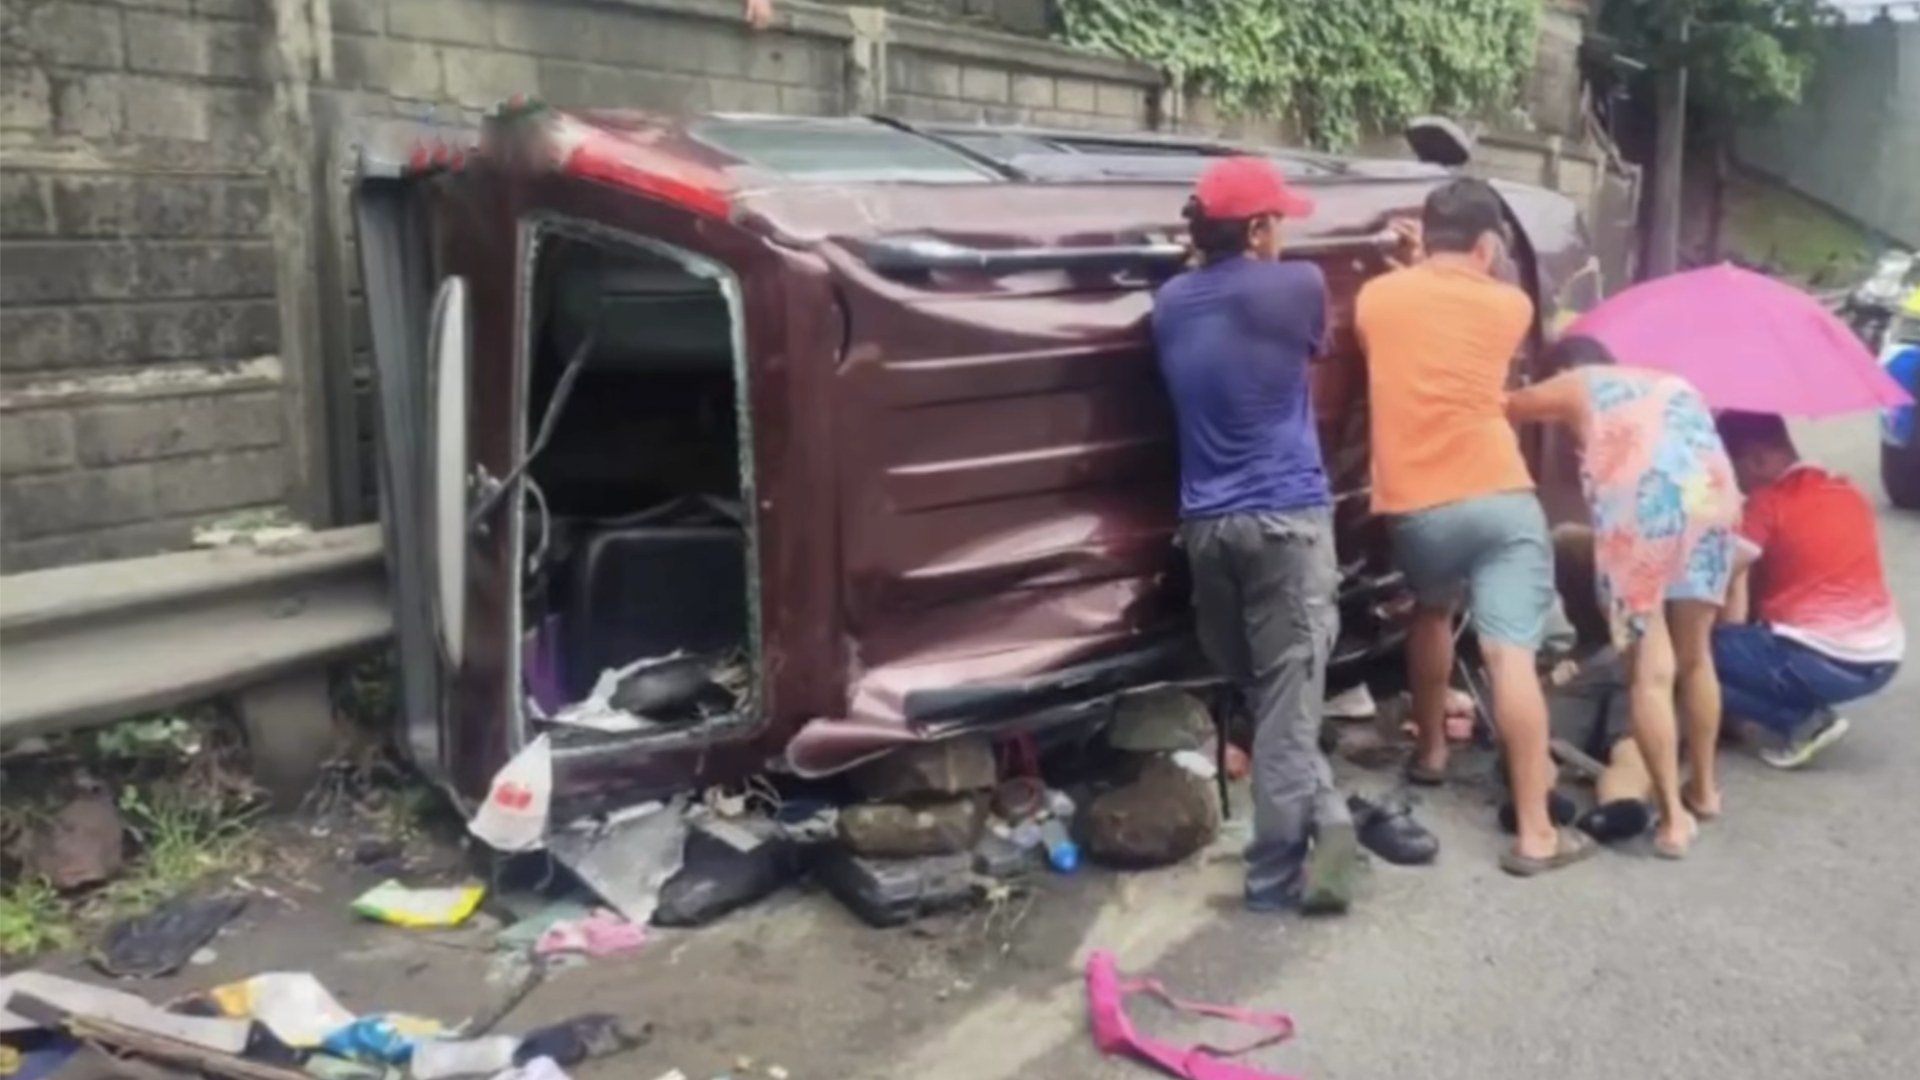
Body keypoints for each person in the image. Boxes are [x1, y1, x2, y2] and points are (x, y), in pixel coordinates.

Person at [1356, 177, 1593, 876]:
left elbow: (1411, 322)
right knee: (1509, 655)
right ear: (1487, 245)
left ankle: (1430, 752)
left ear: (1425, 235)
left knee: (1431, 614)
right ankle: (1537, 834)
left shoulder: (1376, 298)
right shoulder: (1511, 305)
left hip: (1417, 506)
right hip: (1498, 496)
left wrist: (1413, 266)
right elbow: (1471, 304)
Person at [1151, 156, 1359, 914]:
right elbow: (1312, 350)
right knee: (1287, 704)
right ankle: (1275, 879)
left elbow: (1206, 300)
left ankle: (1330, 821)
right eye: (1278, 223)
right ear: (1260, 229)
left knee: (1270, 695)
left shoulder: (1170, 302)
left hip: (1209, 528)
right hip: (1288, 522)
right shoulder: (1298, 287)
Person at [1505, 336, 1740, 856]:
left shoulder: (1576, 382)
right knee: (1696, 658)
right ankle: (1703, 791)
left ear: (1562, 370)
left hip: (1643, 508)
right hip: (1712, 499)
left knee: (1650, 672)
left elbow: (1503, 407)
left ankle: (1673, 823)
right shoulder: (1670, 382)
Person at [1712, 411, 1905, 768]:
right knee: (1743, 642)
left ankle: (1803, 721)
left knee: (1697, 655)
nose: (1733, 482)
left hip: (1822, 657)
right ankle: (1784, 700)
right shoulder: (1846, 490)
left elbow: (1715, 575)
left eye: (1731, 469)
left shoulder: (1768, 502)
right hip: (1882, 657)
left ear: (1757, 460)